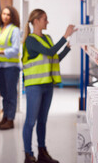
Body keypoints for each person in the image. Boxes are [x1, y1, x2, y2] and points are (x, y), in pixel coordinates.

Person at [22, 9, 75, 163]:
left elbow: (54, 58)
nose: (47, 22)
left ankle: (42, 153)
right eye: (45, 19)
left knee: (42, 121)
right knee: (31, 121)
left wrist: (67, 48)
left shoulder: (48, 38)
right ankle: (28, 154)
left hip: (47, 85)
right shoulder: (31, 40)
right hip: (34, 86)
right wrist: (65, 36)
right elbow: (50, 51)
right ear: (36, 21)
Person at [0, 6, 20, 130]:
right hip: (1, 65)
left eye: (8, 14)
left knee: (11, 94)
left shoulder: (14, 30)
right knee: (4, 94)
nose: (5, 16)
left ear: (12, 16)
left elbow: (15, 49)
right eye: (3, 14)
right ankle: (5, 118)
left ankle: (10, 120)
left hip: (11, 67)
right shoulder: (0, 29)